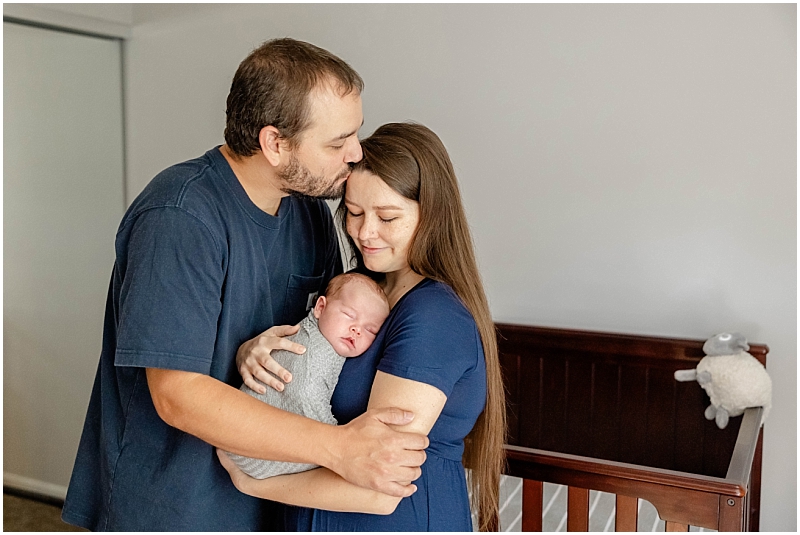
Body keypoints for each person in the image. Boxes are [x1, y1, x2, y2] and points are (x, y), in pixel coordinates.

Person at [61, 39, 427, 532]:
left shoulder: (310, 211)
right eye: (338, 142)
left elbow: (315, 334)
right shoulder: (180, 216)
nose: (356, 153)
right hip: (174, 508)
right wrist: (340, 447)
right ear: (275, 143)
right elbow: (177, 394)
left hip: (270, 498)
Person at [222, 122, 507, 531]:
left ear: (432, 216)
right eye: (354, 213)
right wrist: (254, 351)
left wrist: (250, 481)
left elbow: (377, 490)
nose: (365, 233)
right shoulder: (363, 293)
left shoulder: (433, 318)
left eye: (387, 218)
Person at [227, 272, 390, 478]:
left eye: (370, 329)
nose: (357, 330)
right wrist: (343, 439)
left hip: (245, 440)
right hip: (251, 453)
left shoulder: (323, 337)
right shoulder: (314, 350)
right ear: (321, 307)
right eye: (349, 315)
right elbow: (306, 395)